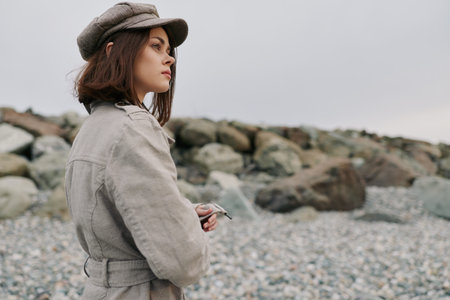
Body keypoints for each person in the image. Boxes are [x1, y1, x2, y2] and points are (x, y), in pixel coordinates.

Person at [65, 2, 217, 299]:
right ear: (113, 52)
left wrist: (185, 212)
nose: (169, 58)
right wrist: (191, 233)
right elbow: (184, 262)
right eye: (156, 46)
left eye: (169, 50)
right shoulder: (134, 128)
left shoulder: (95, 125)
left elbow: (113, 219)